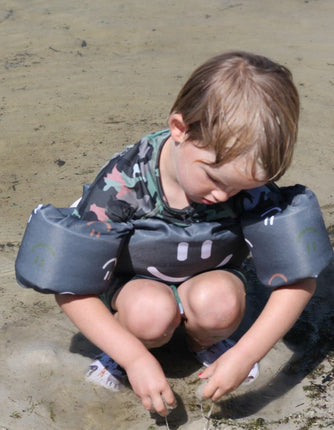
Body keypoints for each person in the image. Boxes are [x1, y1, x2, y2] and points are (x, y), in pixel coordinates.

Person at [49, 51, 325, 416]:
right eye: (213, 178)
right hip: (134, 290)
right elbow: (70, 285)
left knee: (220, 306)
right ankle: (122, 344)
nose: (223, 196)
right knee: (149, 314)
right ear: (180, 129)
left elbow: (299, 279)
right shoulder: (122, 182)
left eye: (240, 187)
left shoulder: (249, 184)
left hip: (211, 280)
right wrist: (132, 358)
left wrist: (246, 354)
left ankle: (203, 342)